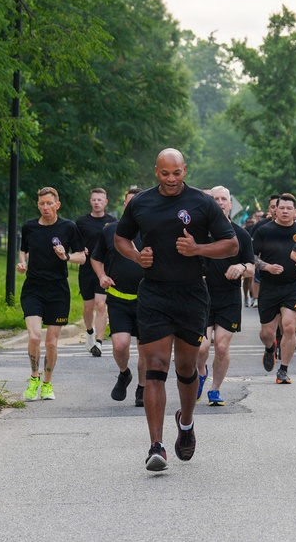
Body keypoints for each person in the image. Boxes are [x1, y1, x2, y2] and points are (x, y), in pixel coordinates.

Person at [114, 148, 238, 471]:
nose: (171, 179)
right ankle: (156, 445)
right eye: (165, 173)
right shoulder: (141, 203)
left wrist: (198, 248)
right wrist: (136, 256)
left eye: (177, 173)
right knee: (155, 366)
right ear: (156, 171)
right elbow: (120, 239)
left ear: (185, 170)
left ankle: (185, 423)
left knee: (186, 368)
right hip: (154, 292)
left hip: (192, 293)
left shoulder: (202, 202)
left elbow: (231, 244)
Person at [18, 187, 86, 401]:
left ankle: (47, 383)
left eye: (49, 203)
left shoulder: (68, 227)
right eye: (41, 204)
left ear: (57, 205)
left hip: (58, 290)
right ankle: (34, 377)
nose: (45, 207)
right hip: (33, 288)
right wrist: (23, 263)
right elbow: (24, 250)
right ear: (38, 205)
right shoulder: (29, 226)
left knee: (51, 342)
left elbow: (82, 257)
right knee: (35, 336)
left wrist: (65, 256)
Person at [197, 186, 255, 406]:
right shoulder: (200, 233)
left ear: (230, 204)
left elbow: (251, 267)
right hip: (201, 297)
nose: (220, 202)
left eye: (224, 199)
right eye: (215, 199)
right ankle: (201, 373)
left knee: (221, 347)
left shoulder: (241, 235)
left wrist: (241, 267)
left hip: (228, 296)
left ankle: (215, 389)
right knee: (202, 347)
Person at [91, 186, 146, 407]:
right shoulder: (110, 230)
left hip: (147, 299)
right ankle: (124, 373)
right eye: (128, 203)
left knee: (146, 349)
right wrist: (102, 275)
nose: (132, 207)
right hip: (118, 297)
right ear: (124, 206)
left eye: (137, 204)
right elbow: (96, 258)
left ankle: (142, 389)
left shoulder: (153, 232)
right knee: (120, 344)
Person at [252, 192, 296, 384]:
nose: (285, 211)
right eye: (281, 208)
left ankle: (283, 370)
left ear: (295, 211)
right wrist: (267, 266)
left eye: (289, 208)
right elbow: (251, 257)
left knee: (289, 327)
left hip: (293, 286)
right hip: (269, 287)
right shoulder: (263, 231)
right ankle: (270, 348)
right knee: (267, 333)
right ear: (275, 210)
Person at [76, 187, 117, 357]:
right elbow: (74, 243)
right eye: (94, 199)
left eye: (100, 200)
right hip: (86, 269)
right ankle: (90, 331)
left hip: (104, 269)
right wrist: (80, 248)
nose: (97, 202)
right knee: (88, 307)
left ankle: (99, 343)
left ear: (105, 202)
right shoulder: (81, 222)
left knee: (101, 305)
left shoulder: (113, 222)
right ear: (90, 202)